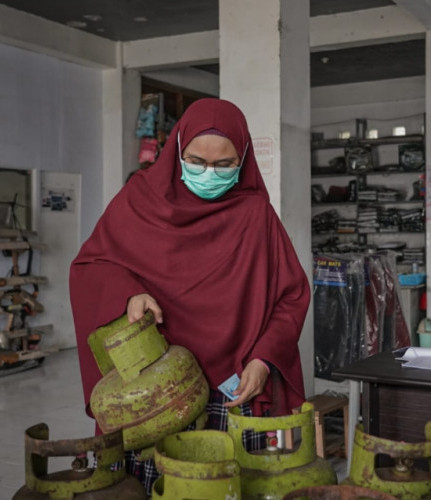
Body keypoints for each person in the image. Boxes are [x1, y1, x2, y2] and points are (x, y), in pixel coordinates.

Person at [69, 98, 309, 492]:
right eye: (196, 161)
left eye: (224, 165)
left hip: (233, 386)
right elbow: (92, 265)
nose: (208, 174)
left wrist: (264, 359)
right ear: (177, 149)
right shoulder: (138, 201)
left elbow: (291, 296)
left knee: (225, 485)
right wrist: (129, 294)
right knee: (149, 485)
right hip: (153, 381)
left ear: (244, 159)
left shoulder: (256, 216)